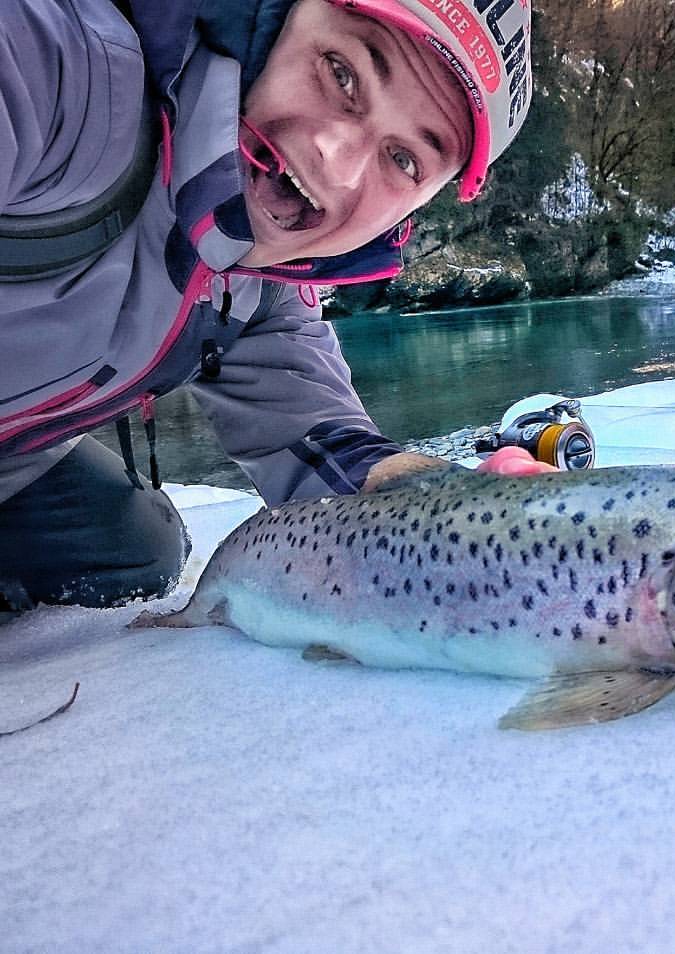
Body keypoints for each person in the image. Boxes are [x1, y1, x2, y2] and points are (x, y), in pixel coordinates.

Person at [0, 0, 552, 618]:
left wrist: (453, 503)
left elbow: (318, 443)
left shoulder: (262, 282)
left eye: (403, 160)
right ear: (266, 19)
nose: (336, 162)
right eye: (341, 72)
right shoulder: (53, 62)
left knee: (136, 549)